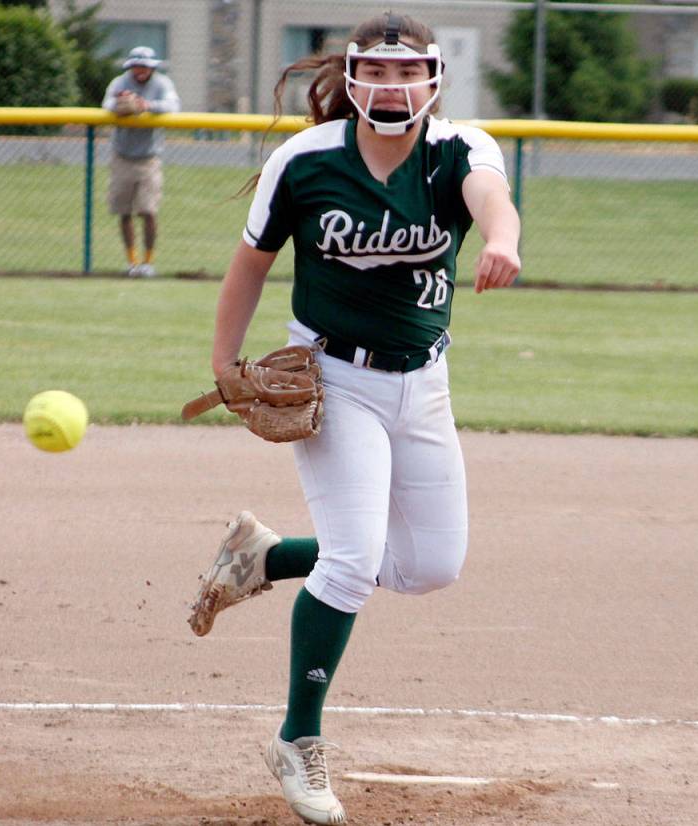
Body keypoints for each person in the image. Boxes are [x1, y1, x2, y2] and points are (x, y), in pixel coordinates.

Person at [187, 12, 520, 826]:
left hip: (425, 383)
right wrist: (225, 366)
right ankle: (297, 740)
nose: (392, 86)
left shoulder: (460, 149)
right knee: (351, 563)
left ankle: (266, 557)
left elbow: (493, 199)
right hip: (335, 381)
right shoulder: (306, 160)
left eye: (409, 73)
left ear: (433, 80)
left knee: (429, 565)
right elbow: (250, 264)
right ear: (353, 78)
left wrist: (502, 240)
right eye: (377, 71)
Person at [101, 46, 180, 277]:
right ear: (131, 67)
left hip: (148, 158)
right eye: (137, 66)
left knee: (148, 211)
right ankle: (132, 262)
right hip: (122, 156)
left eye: (145, 66)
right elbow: (107, 105)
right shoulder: (120, 82)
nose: (141, 70)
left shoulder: (162, 83)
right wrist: (122, 104)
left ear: (152, 67)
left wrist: (146, 106)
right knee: (124, 211)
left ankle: (148, 262)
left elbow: (173, 106)